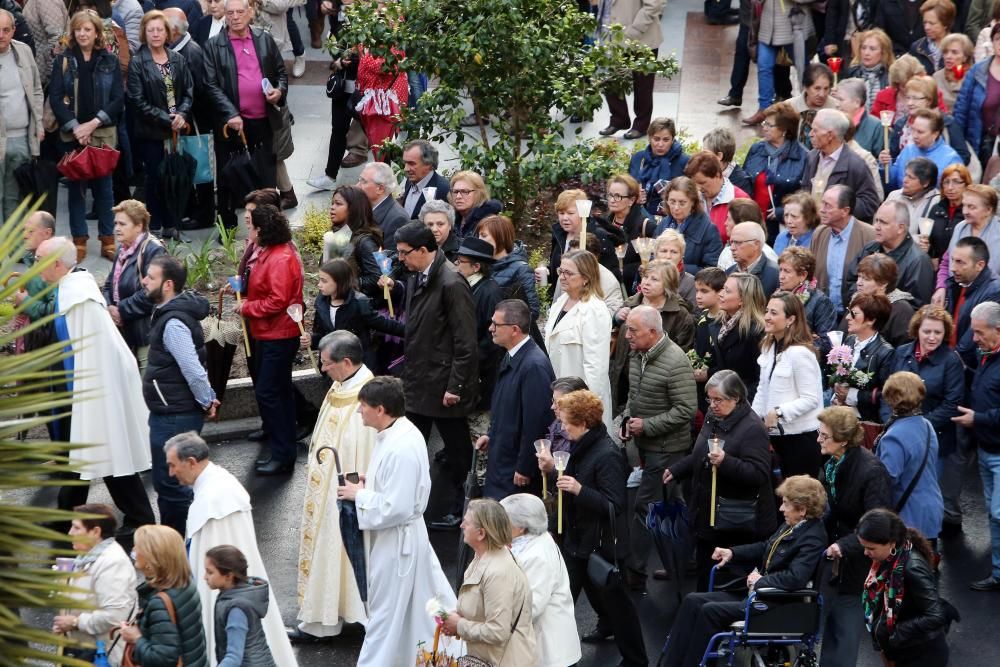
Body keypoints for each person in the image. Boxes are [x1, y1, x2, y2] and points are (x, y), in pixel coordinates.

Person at [35, 237, 155, 544]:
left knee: (101, 458)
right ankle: (130, 517)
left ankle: (138, 519)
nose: (34, 268)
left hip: (92, 393)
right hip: (88, 392)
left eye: (38, 261)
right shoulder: (73, 291)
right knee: (101, 459)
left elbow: (89, 354)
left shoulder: (79, 299)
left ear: (57, 265)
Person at [333, 376, 457, 665]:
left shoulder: (400, 447)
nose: (358, 411)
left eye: (362, 406)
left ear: (380, 409)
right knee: (425, 603)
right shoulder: (398, 432)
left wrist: (359, 495)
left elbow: (397, 507)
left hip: (398, 543)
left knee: (384, 615)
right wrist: (370, 483)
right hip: (406, 539)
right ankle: (439, 654)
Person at [661, 475, 828, 667]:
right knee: (692, 600)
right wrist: (732, 552)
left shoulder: (813, 537)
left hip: (776, 604)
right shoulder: (794, 525)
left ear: (802, 510)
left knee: (709, 611)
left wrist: (760, 581)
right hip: (761, 596)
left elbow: (796, 578)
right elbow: (766, 546)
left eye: (786, 504)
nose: (781, 508)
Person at [535, 389, 647, 667]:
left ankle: (635, 660)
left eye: (566, 423)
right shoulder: (584, 444)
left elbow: (615, 504)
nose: (562, 427)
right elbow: (573, 476)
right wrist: (553, 470)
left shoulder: (606, 455)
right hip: (582, 538)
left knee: (615, 605)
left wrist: (579, 489)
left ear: (584, 423)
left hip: (601, 543)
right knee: (570, 598)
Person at [164, 432, 298, 664]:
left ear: (192, 462)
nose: (170, 472)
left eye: (172, 465)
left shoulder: (213, 501)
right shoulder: (220, 482)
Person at [388, 221, 478, 528]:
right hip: (420, 381)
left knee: (458, 452)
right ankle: (410, 502)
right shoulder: (418, 275)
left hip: (442, 387)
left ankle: (464, 505)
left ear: (423, 251)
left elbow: (465, 341)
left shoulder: (452, 283)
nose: (400, 259)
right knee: (412, 443)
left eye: (403, 253)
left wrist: (456, 385)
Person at [291, 331, 376, 641]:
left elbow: (361, 450)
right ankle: (323, 617)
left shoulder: (366, 398)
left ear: (347, 362)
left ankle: (352, 617)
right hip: (324, 488)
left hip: (344, 493)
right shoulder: (341, 385)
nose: (322, 369)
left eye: (327, 363)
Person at [664, 370, 778, 590]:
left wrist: (726, 462)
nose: (712, 404)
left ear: (735, 398)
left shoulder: (753, 429)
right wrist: (679, 469)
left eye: (718, 400)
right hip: (709, 513)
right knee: (705, 573)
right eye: (710, 399)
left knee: (729, 581)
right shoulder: (713, 416)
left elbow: (758, 474)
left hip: (737, 521)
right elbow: (702, 454)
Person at [619, 305, 697, 582]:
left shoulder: (675, 362)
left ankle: (635, 570)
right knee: (672, 504)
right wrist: (628, 420)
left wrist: (647, 425)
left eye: (633, 330)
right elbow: (635, 394)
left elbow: (686, 409)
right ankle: (681, 561)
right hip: (647, 445)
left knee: (645, 506)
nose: (627, 335)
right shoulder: (638, 353)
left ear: (652, 332)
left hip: (667, 449)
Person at [141, 255, 217, 536]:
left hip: (175, 416)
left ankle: (182, 557)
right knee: (171, 486)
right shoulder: (167, 313)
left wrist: (207, 399)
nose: (144, 280)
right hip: (171, 411)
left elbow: (193, 369)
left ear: (168, 284)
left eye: (151, 277)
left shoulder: (173, 323)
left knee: (173, 488)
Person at [815, 408, 893, 667]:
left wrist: (844, 544)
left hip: (861, 558)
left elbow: (879, 523)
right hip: (839, 556)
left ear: (844, 440)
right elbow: (831, 509)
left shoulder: (871, 471)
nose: (818, 440)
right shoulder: (832, 465)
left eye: (824, 436)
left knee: (847, 621)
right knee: (833, 618)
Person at [203, 0, 286, 229]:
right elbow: (210, 85)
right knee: (228, 176)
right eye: (230, 13)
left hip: (263, 120)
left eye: (240, 12)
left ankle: (270, 226)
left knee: (266, 176)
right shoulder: (214, 45)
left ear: (250, 13)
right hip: (231, 124)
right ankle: (227, 227)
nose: (235, 17)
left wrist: (279, 92)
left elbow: (280, 72)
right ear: (225, 16)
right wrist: (230, 113)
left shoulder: (263, 39)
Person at [50, 9, 124, 261]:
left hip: (101, 132)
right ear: (73, 32)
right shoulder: (63, 60)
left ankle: (108, 240)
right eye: (78, 29)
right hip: (73, 135)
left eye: (87, 29)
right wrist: (75, 127)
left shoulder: (109, 60)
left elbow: (117, 100)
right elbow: (56, 99)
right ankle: (79, 241)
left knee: (105, 189)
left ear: (96, 33)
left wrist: (92, 124)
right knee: (76, 189)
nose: (82, 33)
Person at [238, 204, 304, 476]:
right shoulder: (271, 251)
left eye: (251, 225)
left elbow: (277, 300)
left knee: (270, 392)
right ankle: (283, 448)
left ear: (261, 229)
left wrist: (246, 308)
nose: (248, 228)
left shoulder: (279, 258)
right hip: (270, 332)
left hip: (278, 333)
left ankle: (283, 453)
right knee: (278, 391)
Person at [885, 309, 965, 515]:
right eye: (927, 331)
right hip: (898, 433)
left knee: (922, 497)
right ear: (916, 329)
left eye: (938, 332)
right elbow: (889, 392)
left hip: (934, 439)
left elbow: (951, 404)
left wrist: (916, 428)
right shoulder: (901, 353)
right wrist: (889, 421)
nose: (932, 337)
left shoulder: (951, 361)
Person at [440, 499, 537, 665]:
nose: (461, 525)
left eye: (467, 522)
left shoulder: (498, 572)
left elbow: (498, 632)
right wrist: (457, 617)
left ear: (481, 534)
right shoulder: (483, 557)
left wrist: (459, 625)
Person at [477, 299, 555, 500]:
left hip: (514, 471)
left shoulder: (533, 366)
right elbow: (507, 407)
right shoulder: (513, 356)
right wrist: (491, 435)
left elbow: (536, 423)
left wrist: (525, 467)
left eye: (496, 324)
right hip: (503, 459)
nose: (490, 328)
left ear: (514, 329)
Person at [857, 508, 955, 665]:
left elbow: (935, 615)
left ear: (892, 543)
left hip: (920, 654)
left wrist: (895, 633)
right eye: (864, 547)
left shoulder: (911, 568)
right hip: (901, 650)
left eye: (871, 548)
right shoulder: (889, 559)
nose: (865, 553)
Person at [127, 10, 194, 237]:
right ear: (144, 34)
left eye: (160, 30)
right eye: (151, 30)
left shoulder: (178, 59)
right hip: (152, 132)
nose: (155, 34)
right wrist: (168, 119)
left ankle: (172, 224)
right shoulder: (138, 62)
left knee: (175, 177)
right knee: (156, 179)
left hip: (177, 131)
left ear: (167, 33)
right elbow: (137, 101)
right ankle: (155, 226)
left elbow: (188, 92)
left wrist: (182, 114)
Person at [500, 494, 581, 667]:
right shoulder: (532, 542)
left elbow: (530, 608)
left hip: (550, 653)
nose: (498, 525)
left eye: (503, 520)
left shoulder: (537, 556)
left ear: (521, 526)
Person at [951, 301, 1000, 589]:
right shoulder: (987, 356)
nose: (974, 338)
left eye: (980, 332)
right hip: (986, 449)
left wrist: (978, 419)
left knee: (997, 513)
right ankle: (997, 571)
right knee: (994, 515)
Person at [52, 504, 137, 665]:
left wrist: (75, 623)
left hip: (100, 656)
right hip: (82, 651)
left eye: (76, 528)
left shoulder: (113, 563)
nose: (70, 533)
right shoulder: (87, 556)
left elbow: (114, 616)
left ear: (96, 532)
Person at [753, 292, 824, 478]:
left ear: (791, 319)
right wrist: (752, 420)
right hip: (776, 438)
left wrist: (778, 412)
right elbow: (763, 389)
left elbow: (811, 399)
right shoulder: (768, 347)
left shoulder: (800, 353)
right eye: (767, 311)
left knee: (798, 500)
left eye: (774, 313)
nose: (767, 317)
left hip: (801, 439)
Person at [118, 525, 207, 667]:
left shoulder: (160, 602)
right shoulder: (185, 582)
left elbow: (163, 659)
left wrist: (136, 638)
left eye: (138, 547)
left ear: (151, 558)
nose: (133, 549)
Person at [544, 249, 614, 429]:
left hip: (580, 401)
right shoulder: (560, 302)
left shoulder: (594, 310)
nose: (562, 277)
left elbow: (596, 367)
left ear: (585, 278)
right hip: (559, 393)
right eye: (561, 271)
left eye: (569, 273)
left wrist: (584, 408)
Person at [163, 7, 216, 231]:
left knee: (199, 165)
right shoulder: (179, 50)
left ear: (173, 30)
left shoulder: (190, 53)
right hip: (188, 120)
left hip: (195, 122)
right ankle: (193, 209)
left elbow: (198, 91)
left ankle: (204, 214)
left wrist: (184, 114)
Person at [878, 371, 945, 541]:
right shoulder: (927, 425)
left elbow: (887, 480)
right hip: (931, 510)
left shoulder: (894, 437)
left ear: (891, 399)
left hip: (908, 515)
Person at [102, 200, 166, 367]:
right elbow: (109, 284)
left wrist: (121, 309)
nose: (116, 228)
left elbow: (153, 292)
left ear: (139, 226)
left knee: (145, 389)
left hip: (145, 334)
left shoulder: (153, 250)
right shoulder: (122, 250)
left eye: (122, 224)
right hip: (124, 332)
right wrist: (109, 306)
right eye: (116, 223)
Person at [597, 0, 666, 140]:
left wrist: (634, 31)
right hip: (610, 36)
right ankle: (619, 119)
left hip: (641, 37)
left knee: (643, 85)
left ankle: (641, 125)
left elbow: (654, 4)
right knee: (608, 78)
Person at [846, 201, 936, 307]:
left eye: (883, 222)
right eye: (876, 220)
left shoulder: (919, 261)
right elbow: (850, 281)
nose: (876, 227)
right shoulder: (869, 248)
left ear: (901, 228)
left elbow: (916, 307)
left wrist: (875, 304)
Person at [741, 101, 809, 243]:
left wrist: (782, 211)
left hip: (780, 226)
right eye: (764, 123)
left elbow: (806, 194)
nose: (763, 127)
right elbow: (744, 180)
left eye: (769, 125)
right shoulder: (757, 149)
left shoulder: (803, 156)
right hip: (752, 221)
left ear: (784, 130)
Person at [454, 236, 505, 421]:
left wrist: (470, 363)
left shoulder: (490, 292)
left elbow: (493, 340)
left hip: (482, 374)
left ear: (476, 267)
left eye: (460, 262)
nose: (456, 265)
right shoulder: (467, 286)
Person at [742, 0, 815, 126]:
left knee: (802, 69)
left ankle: (808, 107)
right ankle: (764, 110)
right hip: (768, 24)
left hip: (794, 23)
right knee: (764, 66)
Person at [800, 109, 881, 222]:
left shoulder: (856, 165)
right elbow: (805, 190)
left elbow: (870, 203)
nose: (810, 134)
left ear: (830, 135)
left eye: (815, 130)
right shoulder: (812, 157)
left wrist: (839, 209)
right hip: (813, 228)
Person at [0, 7, 42, 221]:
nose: (1, 35)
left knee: (16, 198)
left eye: (6, 30)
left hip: (21, 138)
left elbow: (36, 89)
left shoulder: (23, 51)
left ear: (14, 30)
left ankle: (15, 251)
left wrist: (39, 126)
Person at [204, 545, 276, 666]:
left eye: (210, 572)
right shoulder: (234, 596)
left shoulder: (237, 609)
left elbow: (234, 657)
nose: (205, 577)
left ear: (228, 576)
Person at [543, 188, 626, 292]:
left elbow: (611, 275)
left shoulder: (598, 238)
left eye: (570, 213)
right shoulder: (559, 234)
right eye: (561, 213)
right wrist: (547, 273)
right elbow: (558, 268)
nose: (565, 218)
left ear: (583, 213)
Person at [810, 184, 876, 316]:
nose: (821, 210)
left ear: (845, 211)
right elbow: (812, 273)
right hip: (824, 313)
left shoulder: (869, 236)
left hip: (857, 313)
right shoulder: (820, 233)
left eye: (828, 206)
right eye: (822, 204)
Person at [832, 293, 896, 422]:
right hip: (840, 414)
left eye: (854, 314)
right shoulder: (849, 340)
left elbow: (887, 395)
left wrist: (852, 395)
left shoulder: (885, 352)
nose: (848, 318)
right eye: (849, 312)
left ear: (871, 320)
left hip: (865, 420)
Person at [942, 236, 1000, 369]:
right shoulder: (956, 284)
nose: (953, 268)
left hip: (968, 367)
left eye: (960, 262)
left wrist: (949, 362)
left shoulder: (994, 291)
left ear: (980, 265)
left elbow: (969, 341)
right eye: (952, 260)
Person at [707, 272, 766, 400]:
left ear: (743, 300)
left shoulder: (756, 332)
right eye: (723, 288)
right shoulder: (718, 324)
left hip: (742, 401)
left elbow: (761, 378)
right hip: (721, 399)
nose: (720, 294)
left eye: (727, 291)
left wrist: (739, 402)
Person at [652, 176, 723, 273]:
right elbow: (652, 256)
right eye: (672, 202)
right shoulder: (663, 224)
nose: (676, 207)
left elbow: (711, 271)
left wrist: (678, 268)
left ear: (693, 202)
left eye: (682, 203)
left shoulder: (709, 230)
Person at [476, 214, 542, 319]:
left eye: (484, 236)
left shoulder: (521, 269)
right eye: (478, 235)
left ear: (500, 237)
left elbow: (532, 312)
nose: (479, 240)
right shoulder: (479, 264)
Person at [952, 23, 1000, 166]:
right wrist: (960, 146)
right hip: (979, 142)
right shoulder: (978, 71)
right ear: (992, 41)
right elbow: (961, 110)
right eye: (998, 38)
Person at [325, 184, 383, 299]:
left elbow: (376, 278)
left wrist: (346, 284)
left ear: (353, 209)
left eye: (338, 204)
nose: (332, 207)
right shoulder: (337, 235)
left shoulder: (365, 242)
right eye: (332, 203)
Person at [935, 184, 1000, 287]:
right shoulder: (960, 228)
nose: (965, 211)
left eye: (971, 207)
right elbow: (946, 262)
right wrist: (941, 287)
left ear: (988, 210)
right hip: (955, 292)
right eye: (964, 205)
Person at [604, 173, 656, 291]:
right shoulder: (604, 225)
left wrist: (625, 270)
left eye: (618, 196)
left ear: (631, 200)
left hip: (632, 292)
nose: (612, 200)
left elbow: (654, 263)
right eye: (610, 195)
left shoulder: (645, 227)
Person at [628, 117, 690, 216]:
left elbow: (690, 197)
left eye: (666, 140)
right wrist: (634, 195)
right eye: (656, 139)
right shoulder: (638, 159)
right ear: (649, 138)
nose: (660, 144)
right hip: (639, 216)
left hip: (671, 219)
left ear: (673, 139)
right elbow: (627, 188)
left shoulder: (684, 162)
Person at [685, 151, 749, 244]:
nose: (698, 188)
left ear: (718, 175)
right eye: (694, 183)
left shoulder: (740, 200)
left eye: (702, 183)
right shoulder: (692, 196)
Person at [777, 246, 837, 345]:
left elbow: (827, 343)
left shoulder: (820, 301)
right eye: (780, 270)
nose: (781, 276)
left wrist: (799, 341)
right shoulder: (777, 296)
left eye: (787, 271)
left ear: (803, 275)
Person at [923, 162, 970, 262]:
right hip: (936, 266)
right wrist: (932, 254)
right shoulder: (936, 209)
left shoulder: (969, 212)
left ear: (966, 185)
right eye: (946, 182)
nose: (950, 187)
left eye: (956, 182)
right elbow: (926, 239)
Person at [357, 161, 408, 246]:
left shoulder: (397, 220)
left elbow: (388, 257)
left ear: (380, 189)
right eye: (359, 180)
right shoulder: (365, 207)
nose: (357, 186)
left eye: (364, 181)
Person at [886, 157, 942, 234]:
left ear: (926, 183)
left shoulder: (937, 202)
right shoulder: (894, 196)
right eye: (905, 175)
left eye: (911, 178)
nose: (905, 180)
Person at [834, 78, 886, 158]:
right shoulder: (833, 122)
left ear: (857, 103)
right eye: (836, 99)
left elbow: (880, 162)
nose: (837, 104)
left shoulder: (876, 126)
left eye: (841, 100)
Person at [725, 221, 780, 297]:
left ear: (756, 244)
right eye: (731, 242)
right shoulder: (728, 272)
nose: (732, 248)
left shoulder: (776, 275)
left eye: (738, 242)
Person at [845, 28, 894, 113]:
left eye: (872, 49)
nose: (866, 53)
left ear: (883, 52)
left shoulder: (891, 76)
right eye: (863, 48)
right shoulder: (851, 73)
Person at [399, 139, 450, 219]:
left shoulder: (443, 190)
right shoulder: (409, 181)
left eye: (411, 163)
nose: (406, 168)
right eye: (405, 163)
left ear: (428, 164)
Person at [23, 0, 68, 90]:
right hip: (40, 68)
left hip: (46, 73)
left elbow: (58, 39)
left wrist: (53, 75)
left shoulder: (46, 1)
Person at [791, 64, 837, 147]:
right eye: (817, 88)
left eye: (826, 89)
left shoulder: (837, 109)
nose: (822, 94)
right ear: (805, 87)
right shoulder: (789, 107)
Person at [450, 170, 503, 238]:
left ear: (479, 193)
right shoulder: (451, 218)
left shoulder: (490, 222)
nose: (458, 196)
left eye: (465, 192)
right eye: (455, 191)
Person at [652, 229, 698, 305]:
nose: (668, 256)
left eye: (674, 252)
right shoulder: (646, 276)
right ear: (656, 254)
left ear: (681, 256)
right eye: (664, 251)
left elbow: (693, 314)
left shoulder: (690, 283)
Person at [703, 127, 754, 194]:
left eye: (705, 152)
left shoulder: (741, 183)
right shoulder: (706, 172)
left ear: (719, 156)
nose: (702, 156)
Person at [909, 0, 956, 72]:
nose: (927, 27)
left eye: (932, 23)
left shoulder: (959, 48)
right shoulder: (917, 48)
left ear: (945, 24)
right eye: (925, 23)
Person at [932, 32, 974, 110]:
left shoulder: (973, 77)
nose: (948, 56)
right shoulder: (936, 77)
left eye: (954, 52)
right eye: (945, 52)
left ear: (965, 57)